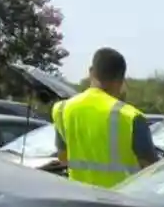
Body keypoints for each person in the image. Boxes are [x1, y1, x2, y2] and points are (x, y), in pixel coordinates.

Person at [50, 47, 158, 188]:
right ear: (121, 80)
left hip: (78, 200)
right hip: (120, 204)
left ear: (91, 72)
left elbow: (63, 158)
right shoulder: (131, 117)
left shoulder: (62, 109)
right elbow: (152, 171)